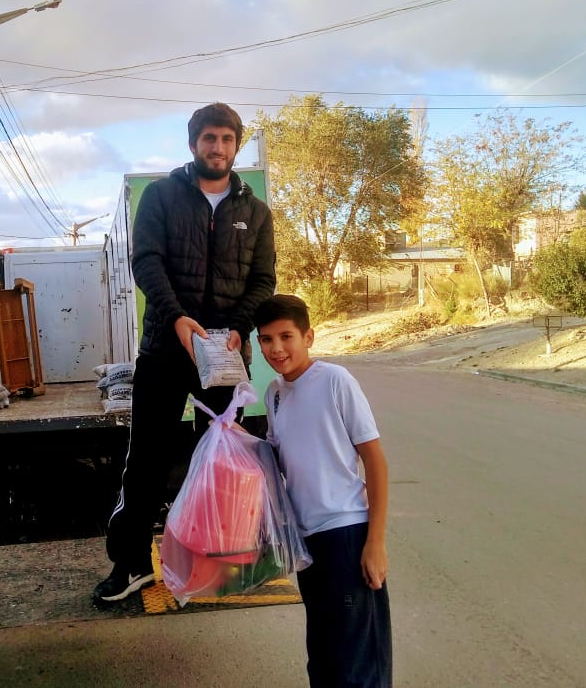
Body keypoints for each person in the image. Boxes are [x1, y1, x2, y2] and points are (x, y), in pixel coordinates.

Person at [93, 102, 276, 606]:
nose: (217, 148)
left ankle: (217, 559)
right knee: (145, 462)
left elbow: (263, 280)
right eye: (208, 138)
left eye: (226, 139)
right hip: (164, 350)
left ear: (236, 145)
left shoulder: (254, 212)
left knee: (222, 463)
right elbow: (145, 261)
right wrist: (176, 319)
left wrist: (239, 328)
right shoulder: (161, 196)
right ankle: (131, 565)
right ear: (193, 143)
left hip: (224, 356)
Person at [254, 293, 392, 687]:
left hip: (346, 535)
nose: (276, 349)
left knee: (357, 666)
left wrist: (375, 542)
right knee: (325, 660)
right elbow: (282, 462)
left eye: (286, 336)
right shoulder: (275, 395)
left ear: (308, 336)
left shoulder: (335, 380)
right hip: (308, 544)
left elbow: (376, 462)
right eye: (266, 339)